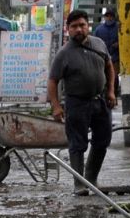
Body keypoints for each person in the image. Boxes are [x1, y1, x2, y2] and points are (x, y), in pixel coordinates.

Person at [47, 10, 117, 193]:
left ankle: (91, 178)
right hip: (77, 103)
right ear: (68, 29)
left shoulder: (99, 43)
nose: (79, 29)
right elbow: (53, 80)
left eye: (82, 25)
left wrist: (111, 91)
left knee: (102, 141)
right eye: (74, 26)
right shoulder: (64, 53)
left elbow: (109, 66)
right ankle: (79, 183)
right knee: (77, 144)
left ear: (88, 26)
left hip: (101, 101)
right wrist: (55, 106)